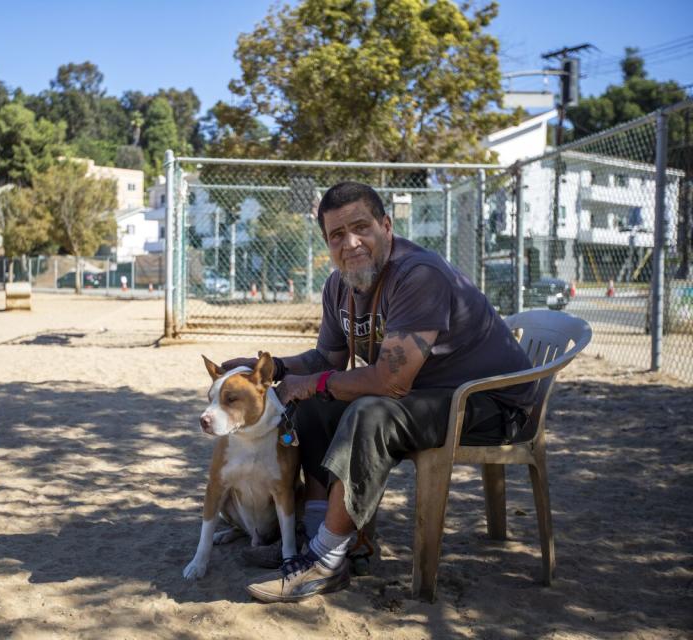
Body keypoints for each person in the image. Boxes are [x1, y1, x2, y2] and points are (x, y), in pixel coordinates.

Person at [222, 181, 535, 603]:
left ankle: (324, 560)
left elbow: (392, 381)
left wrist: (313, 383)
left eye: (361, 227)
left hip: (492, 402)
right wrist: (273, 368)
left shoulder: (417, 275)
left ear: (386, 226)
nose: (350, 243)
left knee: (370, 412)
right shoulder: (339, 286)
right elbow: (327, 360)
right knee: (312, 406)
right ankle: (331, 539)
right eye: (336, 235)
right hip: (434, 396)